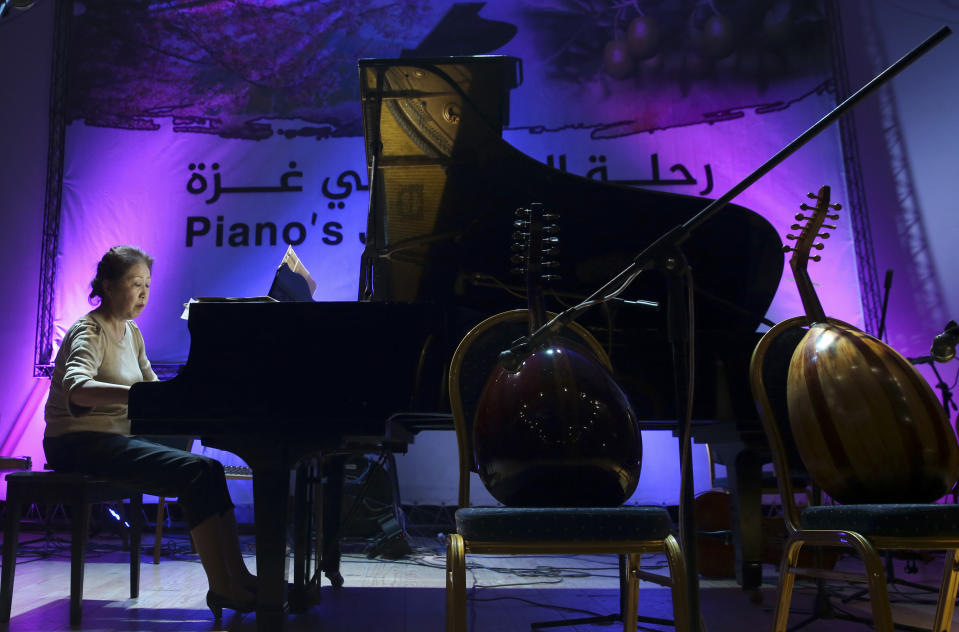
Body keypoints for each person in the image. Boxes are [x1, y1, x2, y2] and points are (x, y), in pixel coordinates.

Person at [43, 245, 256, 618]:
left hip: (111, 439)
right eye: (134, 283)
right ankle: (221, 588)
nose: (143, 292)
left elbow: (153, 388)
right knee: (193, 472)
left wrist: (190, 402)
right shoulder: (89, 331)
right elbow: (78, 387)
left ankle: (240, 577)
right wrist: (139, 395)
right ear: (108, 286)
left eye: (147, 285)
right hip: (75, 442)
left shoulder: (132, 332)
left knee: (211, 469)